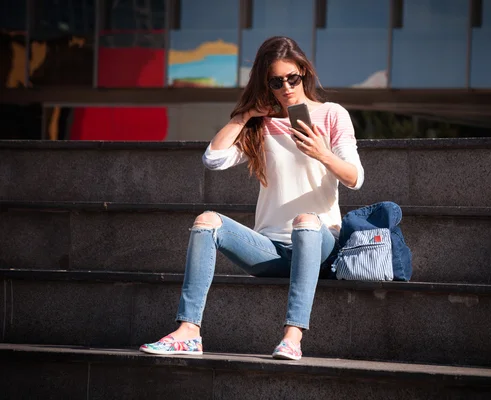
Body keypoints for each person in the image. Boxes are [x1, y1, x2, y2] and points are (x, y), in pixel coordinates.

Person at [139, 36, 364, 360]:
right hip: (270, 249)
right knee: (207, 222)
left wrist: (322, 153)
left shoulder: (331, 115)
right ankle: (189, 332)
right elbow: (213, 159)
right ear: (266, 83)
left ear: (303, 72)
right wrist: (245, 116)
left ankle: (292, 336)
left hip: (319, 242)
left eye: (292, 78)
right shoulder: (263, 125)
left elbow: (356, 177)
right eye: (276, 81)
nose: (286, 87)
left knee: (305, 221)